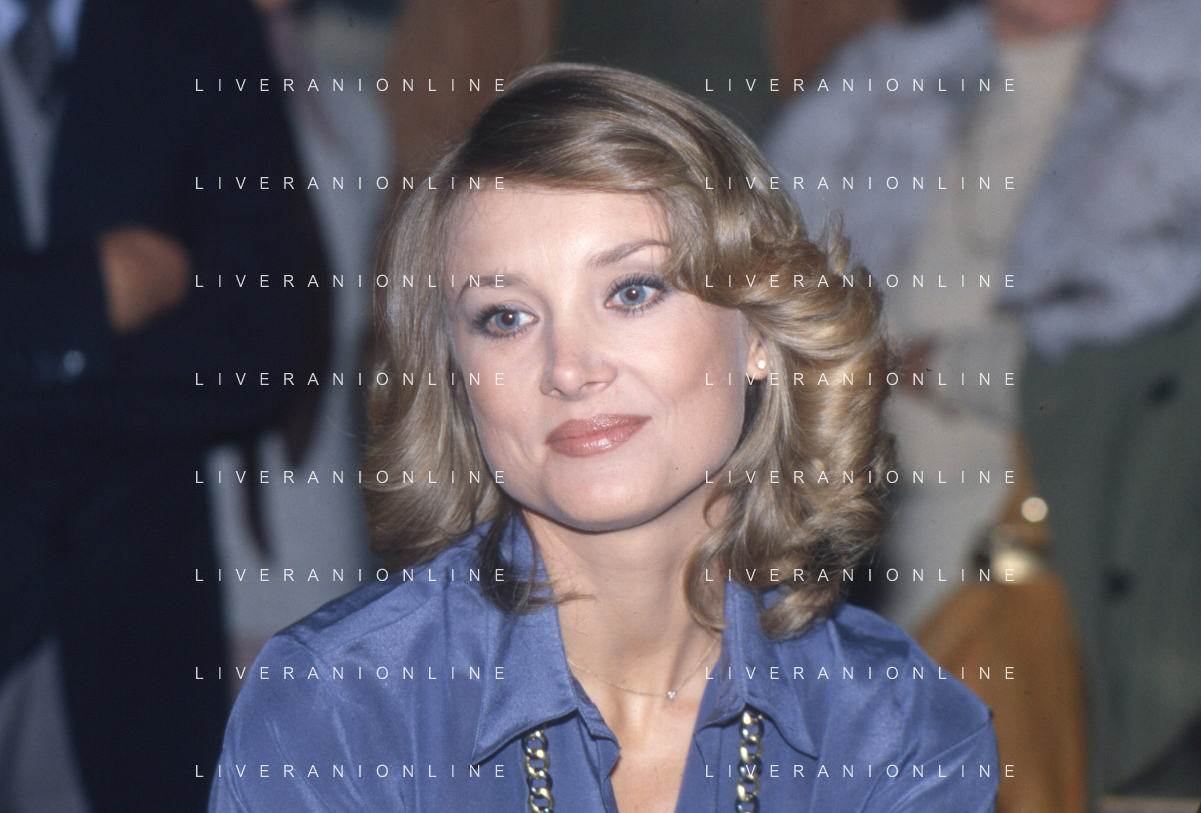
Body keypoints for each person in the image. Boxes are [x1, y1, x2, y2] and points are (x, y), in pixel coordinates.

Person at [208, 63, 999, 812]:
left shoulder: (900, 728)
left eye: (631, 291)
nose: (568, 367)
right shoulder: (339, 710)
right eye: (505, 317)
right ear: (456, 378)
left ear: (760, 331)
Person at [764, 0, 1201, 798]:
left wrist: (952, 366)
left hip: (1085, 542)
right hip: (867, 529)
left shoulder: (1182, 90)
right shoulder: (876, 90)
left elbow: (1153, 362)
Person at [0, 0, 318, 811]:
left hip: (135, 629)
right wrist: (90, 292)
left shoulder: (205, 21)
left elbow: (255, 348)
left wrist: (31, 358)